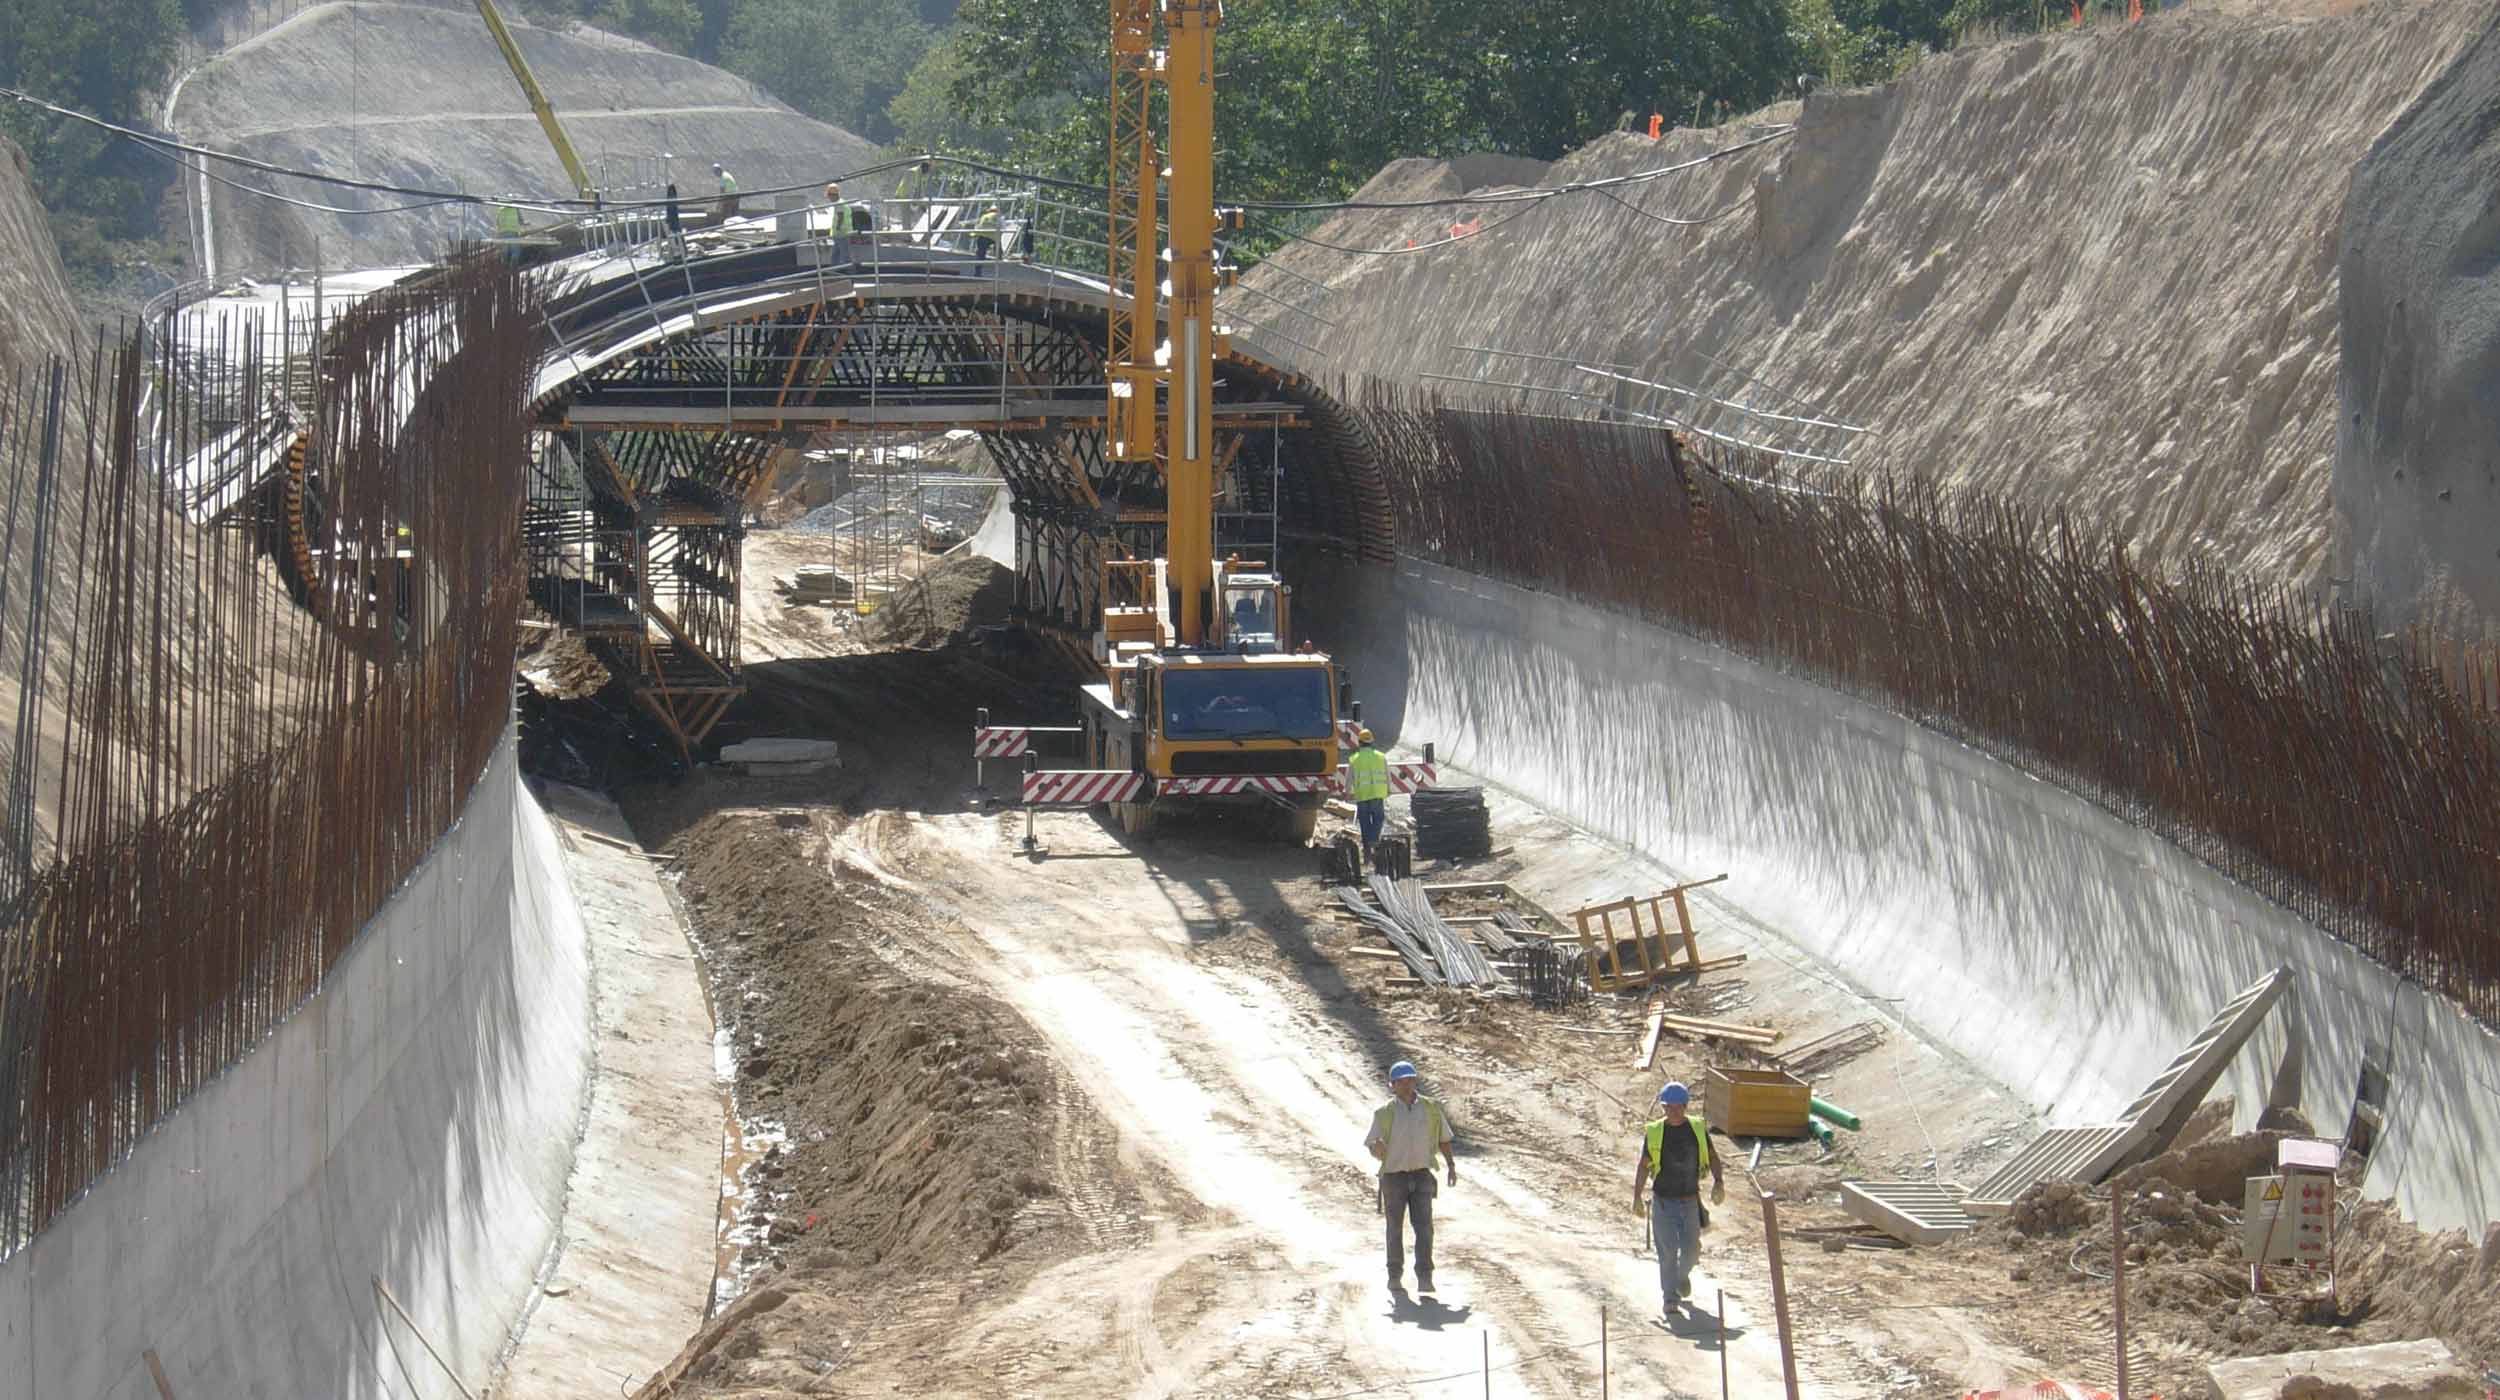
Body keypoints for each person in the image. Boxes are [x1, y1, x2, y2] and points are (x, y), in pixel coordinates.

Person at [1631, 1082, 1725, 1319]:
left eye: (1678, 1107)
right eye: (1668, 1107)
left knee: (1692, 1251)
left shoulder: (1696, 1129)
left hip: (1689, 1201)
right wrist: (1637, 1197)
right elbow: (1643, 1166)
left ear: (1685, 1106)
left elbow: (1713, 1156)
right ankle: (1670, 1298)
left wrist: (1719, 1181)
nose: (1673, 1112)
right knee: (1668, 1252)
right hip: (1663, 1202)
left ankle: (1682, 1277)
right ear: (1663, 1107)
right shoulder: (1655, 1132)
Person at [1364, 1060, 1456, 1295]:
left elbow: (1444, 1138)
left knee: (1425, 1228)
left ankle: (1425, 1277)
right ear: (1392, 1086)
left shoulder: (1431, 1109)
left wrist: (1451, 1165)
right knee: (1394, 1228)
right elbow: (1373, 1145)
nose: (1407, 1085)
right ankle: (1394, 1276)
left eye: (1410, 1080)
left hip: (1422, 1175)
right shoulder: (1384, 1113)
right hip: (1394, 1178)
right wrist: (1377, 1148)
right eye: (1401, 1082)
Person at [1348, 728, 1390, 853]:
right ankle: (1374, 840)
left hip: (1362, 795)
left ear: (1359, 742)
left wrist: (1346, 791)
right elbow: (1388, 775)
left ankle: (1367, 848)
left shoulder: (1354, 758)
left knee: (1364, 822)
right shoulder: (1381, 757)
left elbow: (1349, 778)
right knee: (1379, 818)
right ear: (1372, 742)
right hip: (1377, 794)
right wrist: (1389, 789)